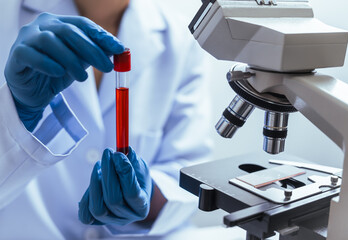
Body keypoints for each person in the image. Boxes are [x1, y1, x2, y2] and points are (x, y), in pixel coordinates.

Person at [0, 0, 212, 238]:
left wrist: (148, 195)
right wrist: (14, 114)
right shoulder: (6, 18)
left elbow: (188, 175)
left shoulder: (181, 39)